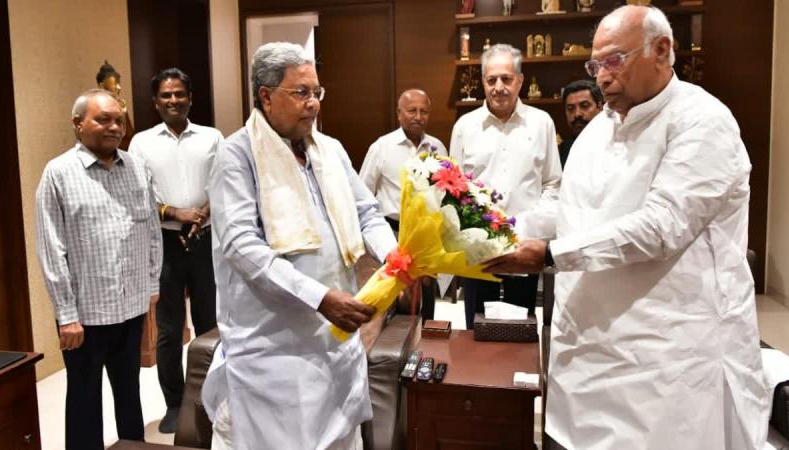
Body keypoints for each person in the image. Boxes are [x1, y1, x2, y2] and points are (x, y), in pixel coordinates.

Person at [483, 6, 767, 450]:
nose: (602, 77)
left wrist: (550, 255)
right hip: (589, 343)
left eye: (614, 61)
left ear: (662, 50)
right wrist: (494, 230)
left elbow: (663, 226)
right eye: (595, 65)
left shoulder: (702, 120)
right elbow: (569, 208)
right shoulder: (599, 129)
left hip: (667, 350)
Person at [202, 42, 397, 449]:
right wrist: (320, 298)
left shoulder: (330, 150)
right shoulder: (236, 155)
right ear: (266, 96)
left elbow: (367, 212)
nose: (314, 104)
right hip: (273, 347)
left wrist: (393, 256)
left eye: (317, 92)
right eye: (301, 92)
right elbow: (242, 247)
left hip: (336, 337)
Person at [35, 89, 162, 450]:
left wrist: (151, 285)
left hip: (131, 307)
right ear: (78, 124)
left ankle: (133, 445)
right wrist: (66, 315)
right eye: (103, 119)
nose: (114, 127)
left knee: (130, 392)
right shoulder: (58, 173)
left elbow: (152, 231)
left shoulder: (136, 167)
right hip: (85, 316)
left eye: (119, 120)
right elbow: (51, 249)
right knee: (84, 397)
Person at [128, 68, 222, 433]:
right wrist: (174, 213)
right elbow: (137, 196)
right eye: (166, 95)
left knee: (209, 324)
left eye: (179, 93)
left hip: (206, 239)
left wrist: (201, 214)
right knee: (169, 329)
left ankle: (211, 400)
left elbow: (224, 183)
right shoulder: (141, 144)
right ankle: (174, 404)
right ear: (155, 102)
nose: (173, 100)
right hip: (164, 243)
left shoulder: (212, 138)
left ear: (190, 98)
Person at [450, 43, 561, 329]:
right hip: (478, 249)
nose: (499, 87)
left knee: (520, 329)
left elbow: (552, 184)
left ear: (520, 81)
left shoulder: (541, 123)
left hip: (522, 247)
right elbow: (453, 189)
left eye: (506, 79)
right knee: (477, 328)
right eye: (491, 80)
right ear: (483, 82)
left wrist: (530, 229)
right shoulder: (465, 126)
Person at [359, 88, 447, 322]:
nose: (418, 117)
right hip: (393, 236)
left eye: (423, 111)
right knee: (394, 304)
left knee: (427, 303)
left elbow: (445, 192)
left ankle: (425, 341)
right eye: (411, 111)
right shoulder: (382, 147)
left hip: (426, 238)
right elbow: (362, 194)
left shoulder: (437, 147)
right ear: (399, 114)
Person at [558, 79, 603, 167]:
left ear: (600, 107)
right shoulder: (563, 151)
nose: (577, 114)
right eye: (570, 109)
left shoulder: (616, 146)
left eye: (585, 106)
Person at [96, 61, 134, 149]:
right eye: (115, 83)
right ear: (102, 86)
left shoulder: (121, 105)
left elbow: (129, 135)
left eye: (119, 83)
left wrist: (124, 113)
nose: (119, 87)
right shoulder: (96, 107)